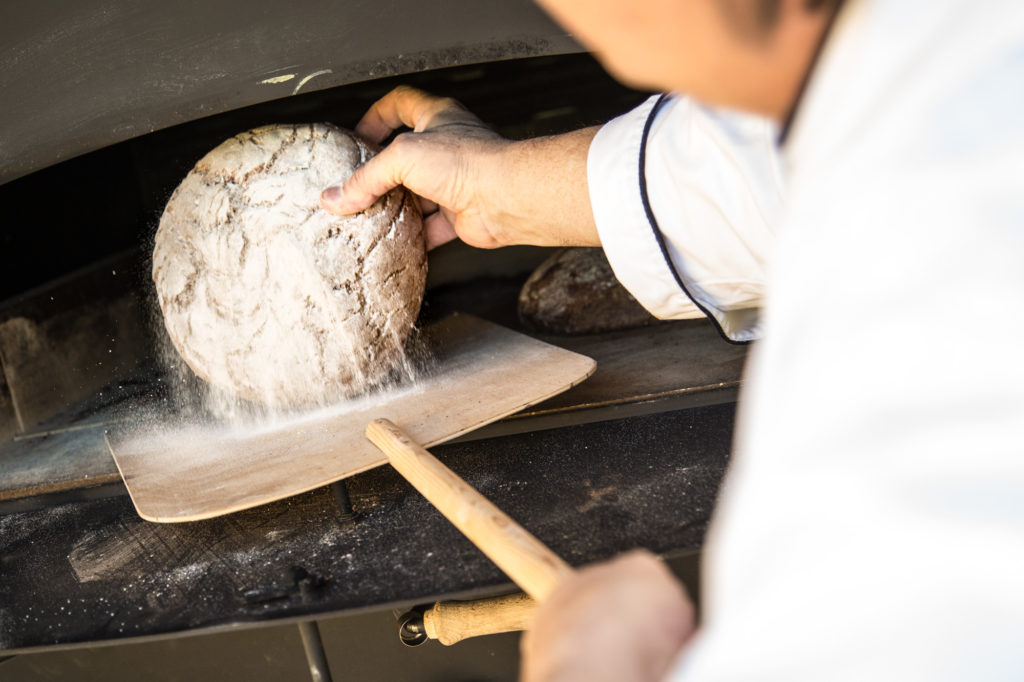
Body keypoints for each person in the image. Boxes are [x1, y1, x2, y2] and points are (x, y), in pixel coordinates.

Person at [323, 0, 1024, 679]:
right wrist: (505, 193)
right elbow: (776, 167)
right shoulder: (943, 57)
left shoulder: (970, 246)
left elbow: (926, 631)